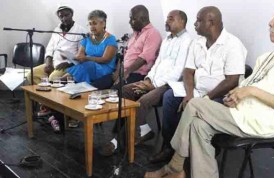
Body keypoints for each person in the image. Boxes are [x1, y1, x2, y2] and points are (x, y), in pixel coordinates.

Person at [144, 4, 274, 178]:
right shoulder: (267, 57)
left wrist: (250, 91)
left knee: (194, 104)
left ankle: (174, 166)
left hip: (263, 121)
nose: (270, 23)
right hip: (241, 112)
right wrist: (235, 95)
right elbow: (246, 84)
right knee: (197, 125)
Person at [147, 6, 247, 164]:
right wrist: (189, 94)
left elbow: (232, 80)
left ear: (211, 22)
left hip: (220, 97)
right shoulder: (197, 43)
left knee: (195, 110)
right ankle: (169, 147)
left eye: (199, 21)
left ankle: (199, 150)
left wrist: (205, 98)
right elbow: (188, 71)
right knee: (169, 97)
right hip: (197, 91)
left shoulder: (232, 44)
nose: (194, 24)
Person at [99, 10, 192, 156]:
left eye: (171, 19)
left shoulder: (188, 41)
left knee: (142, 102)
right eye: (167, 18)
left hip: (169, 85)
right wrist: (148, 80)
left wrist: (154, 85)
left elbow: (178, 71)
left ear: (182, 22)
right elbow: (157, 64)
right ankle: (143, 130)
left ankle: (117, 142)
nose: (166, 21)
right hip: (153, 81)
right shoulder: (168, 39)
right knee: (125, 91)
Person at [91, 5, 162, 90]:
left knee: (113, 93)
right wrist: (118, 71)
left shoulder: (153, 33)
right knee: (92, 87)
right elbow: (123, 56)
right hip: (123, 72)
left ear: (143, 19)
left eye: (133, 19)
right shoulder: (134, 35)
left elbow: (144, 58)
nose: (130, 22)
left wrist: (127, 72)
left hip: (137, 74)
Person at [27, 5, 86, 85]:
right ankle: (44, 95)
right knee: (31, 75)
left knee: (53, 79)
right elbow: (50, 49)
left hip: (68, 65)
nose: (64, 19)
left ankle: (51, 95)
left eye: (66, 15)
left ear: (72, 14)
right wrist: (48, 63)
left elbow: (81, 55)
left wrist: (68, 63)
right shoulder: (57, 29)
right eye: (61, 16)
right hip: (53, 63)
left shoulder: (80, 31)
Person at [63, 10, 117, 84]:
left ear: (103, 23)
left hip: (104, 69)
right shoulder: (87, 37)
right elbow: (80, 55)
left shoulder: (111, 39)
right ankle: (62, 82)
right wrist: (70, 57)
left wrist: (86, 58)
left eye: (94, 24)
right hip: (88, 66)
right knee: (85, 66)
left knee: (87, 65)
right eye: (90, 24)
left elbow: (106, 59)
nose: (92, 27)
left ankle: (61, 81)